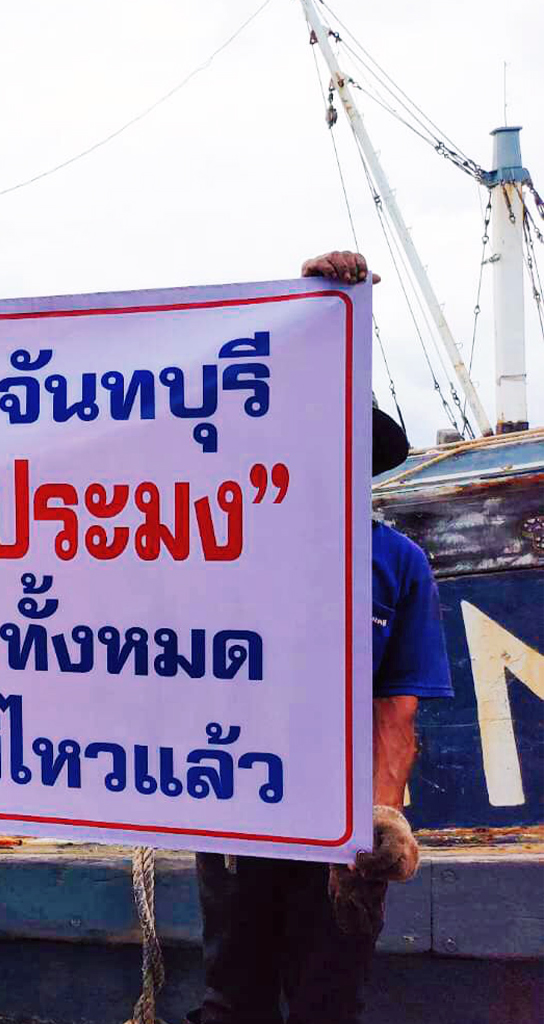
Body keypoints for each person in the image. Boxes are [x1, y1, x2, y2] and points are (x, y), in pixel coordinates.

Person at [185, 251, 454, 1024]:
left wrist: (373, 829)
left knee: (327, 1003)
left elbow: (394, 717)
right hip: (235, 805)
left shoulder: (399, 563)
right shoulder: (223, 536)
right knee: (232, 1001)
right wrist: (315, 303)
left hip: (337, 827)